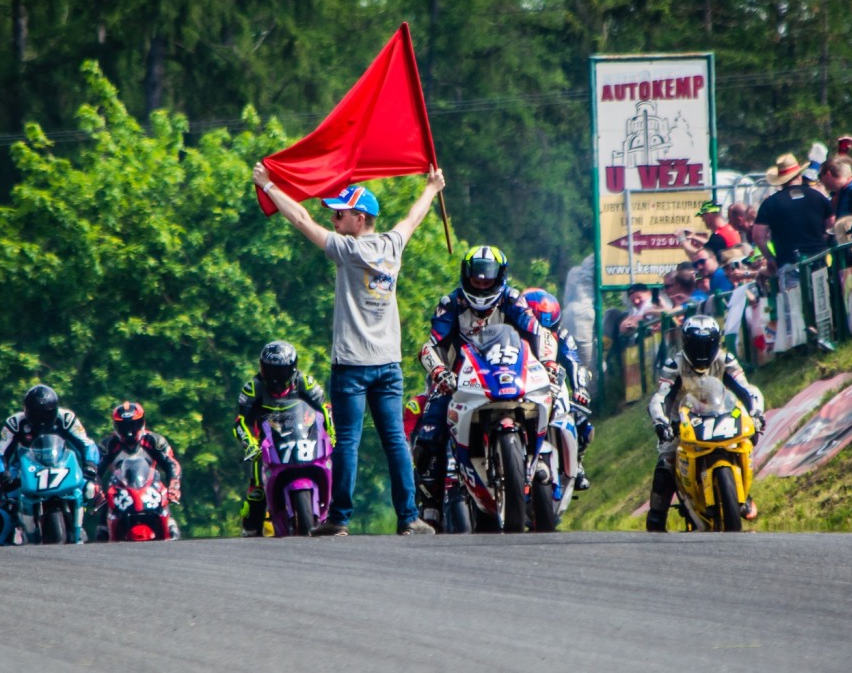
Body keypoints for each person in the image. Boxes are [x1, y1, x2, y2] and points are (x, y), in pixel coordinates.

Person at [251, 164, 444, 536]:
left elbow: (301, 218)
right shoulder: (392, 245)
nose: (334, 218)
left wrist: (269, 185)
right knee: (395, 442)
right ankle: (408, 518)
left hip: (352, 367)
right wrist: (432, 188)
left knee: (348, 444)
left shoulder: (347, 250)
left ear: (360, 218)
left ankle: (339, 519)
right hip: (388, 364)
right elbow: (413, 218)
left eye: (340, 213)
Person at [414, 246, 555, 532]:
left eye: (486, 281)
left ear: (499, 278)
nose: (480, 285)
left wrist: (549, 362)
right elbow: (431, 345)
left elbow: (538, 332)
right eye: (476, 280)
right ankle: (430, 507)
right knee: (429, 433)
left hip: (510, 374)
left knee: (556, 402)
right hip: (459, 379)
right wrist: (439, 371)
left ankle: (540, 459)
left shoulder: (512, 299)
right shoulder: (450, 303)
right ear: (466, 277)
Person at [645, 315, 763, 532]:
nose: (701, 352)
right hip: (681, 425)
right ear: (685, 344)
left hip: (721, 416)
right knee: (665, 465)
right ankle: (656, 519)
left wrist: (757, 413)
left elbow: (747, 390)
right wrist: (661, 423)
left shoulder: (726, 361)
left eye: (706, 345)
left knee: (747, 440)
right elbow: (660, 397)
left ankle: (742, 494)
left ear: (716, 343)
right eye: (695, 346)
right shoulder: (674, 365)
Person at [232, 341, 333, 537]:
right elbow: (241, 422)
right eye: (270, 371)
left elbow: (325, 410)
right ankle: (252, 529)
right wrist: (250, 443)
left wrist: (332, 433)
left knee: (334, 465)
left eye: (281, 372)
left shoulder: (306, 383)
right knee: (256, 492)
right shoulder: (253, 388)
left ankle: (335, 512)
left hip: (303, 439)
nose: (275, 378)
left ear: (293, 369)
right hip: (267, 445)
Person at [0, 385, 100, 542]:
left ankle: (80, 528)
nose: (40, 420)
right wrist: (4, 475)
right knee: (7, 505)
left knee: (89, 488)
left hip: (60, 464)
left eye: (45, 414)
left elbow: (87, 444)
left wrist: (90, 466)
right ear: (26, 411)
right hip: (24, 468)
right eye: (35, 414)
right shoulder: (15, 423)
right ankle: (1, 545)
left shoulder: (66, 419)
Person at [522, 288, 595, 489]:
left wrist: (580, 388)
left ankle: (578, 462)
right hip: (521, 386)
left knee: (582, 422)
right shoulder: (513, 333)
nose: (545, 332)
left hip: (552, 385)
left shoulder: (562, 334)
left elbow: (574, 361)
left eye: (550, 325)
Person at [93, 401, 183, 541]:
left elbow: (171, 464)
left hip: (150, 488)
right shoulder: (108, 445)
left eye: (133, 424)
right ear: (116, 425)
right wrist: (96, 489)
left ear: (141, 422)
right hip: (120, 490)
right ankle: (104, 531)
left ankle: (170, 526)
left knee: (171, 524)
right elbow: (96, 471)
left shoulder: (154, 441)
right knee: (101, 532)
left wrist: (174, 485)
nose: (129, 430)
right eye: (124, 426)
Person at [753, 154, 835, 273]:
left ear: (781, 180)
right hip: (819, 259)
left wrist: (770, 259)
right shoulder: (818, 197)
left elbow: (758, 236)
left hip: (788, 263)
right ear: (799, 176)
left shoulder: (770, 203)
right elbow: (831, 224)